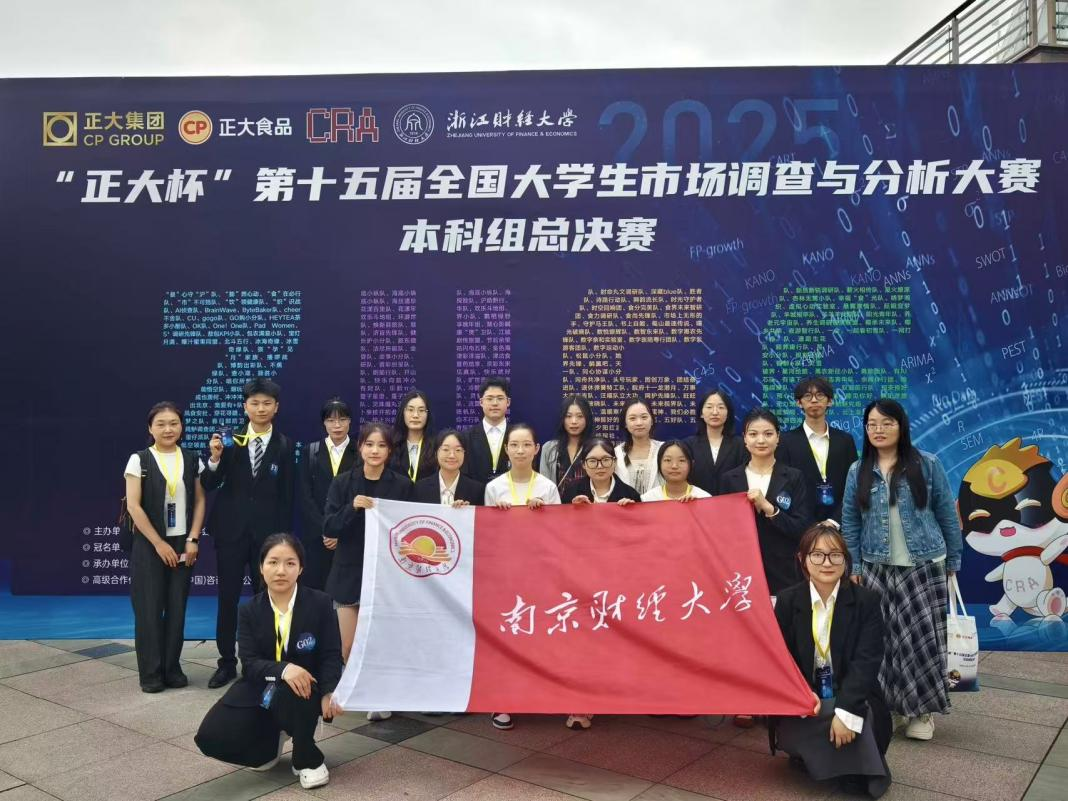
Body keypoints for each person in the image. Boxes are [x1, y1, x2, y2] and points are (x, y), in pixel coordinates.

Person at [841, 398, 962, 742]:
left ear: (901, 426)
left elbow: (946, 513)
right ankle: (890, 708)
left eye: (887, 423)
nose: (878, 430)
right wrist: (854, 565)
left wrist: (953, 560)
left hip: (924, 565)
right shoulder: (858, 470)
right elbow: (850, 521)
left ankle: (921, 711)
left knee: (922, 641)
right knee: (881, 642)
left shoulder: (927, 464)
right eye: (872, 424)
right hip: (875, 567)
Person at [195, 534, 343, 790]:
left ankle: (307, 757)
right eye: (273, 562)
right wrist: (284, 669)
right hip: (263, 684)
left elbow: (331, 653)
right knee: (211, 736)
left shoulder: (320, 603)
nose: (281, 570)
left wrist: (330, 691)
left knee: (298, 687)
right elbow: (249, 663)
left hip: (307, 689)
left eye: (290, 563)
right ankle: (270, 742)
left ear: (301, 568)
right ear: (261, 568)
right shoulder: (249, 610)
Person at [771, 524, 892, 799]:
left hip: (850, 690)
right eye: (817, 555)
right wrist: (802, 693)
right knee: (817, 713)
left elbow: (867, 661)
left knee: (858, 714)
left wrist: (846, 710)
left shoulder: (866, 601)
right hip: (807, 695)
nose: (827, 563)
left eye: (835, 555)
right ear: (802, 559)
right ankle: (830, 759)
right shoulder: (788, 600)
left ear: (846, 560)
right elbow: (781, 658)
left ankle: (854, 773)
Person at [202, 377, 295, 689]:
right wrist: (215, 459)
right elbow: (210, 483)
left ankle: (260, 664)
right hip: (231, 532)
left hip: (267, 540)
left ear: (276, 407)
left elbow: (287, 497)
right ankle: (226, 663)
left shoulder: (285, 445)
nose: (261, 408)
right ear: (245, 406)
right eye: (255, 403)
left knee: (266, 601)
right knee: (227, 598)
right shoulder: (230, 440)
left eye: (267, 403)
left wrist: (282, 542)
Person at [323, 422, 413, 720]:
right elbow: (329, 526)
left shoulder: (402, 485)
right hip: (348, 571)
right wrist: (352, 508)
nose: (375, 450)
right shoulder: (343, 483)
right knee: (348, 644)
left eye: (382, 445)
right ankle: (357, 688)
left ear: (390, 450)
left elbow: (410, 527)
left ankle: (380, 695)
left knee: (381, 639)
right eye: (369, 444)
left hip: (386, 573)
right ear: (360, 447)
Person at [123, 402, 205, 692]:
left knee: (176, 608)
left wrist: (193, 539)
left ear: (181, 427)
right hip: (149, 543)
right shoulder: (140, 460)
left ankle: (172, 668)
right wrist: (158, 543)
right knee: (148, 609)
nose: (168, 429)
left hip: (183, 543)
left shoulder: (192, 459)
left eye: (174, 423)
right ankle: (151, 673)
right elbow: (133, 506)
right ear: (150, 428)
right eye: (161, 424)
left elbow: (200, 501)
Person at [483, 423, 561, 732]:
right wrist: (498, 517)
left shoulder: (547, 487)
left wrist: (542, 516)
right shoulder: (494, 488)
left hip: (539, 573)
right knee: (506, 637)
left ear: (536, 449)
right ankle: (503, 701)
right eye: (514, 445)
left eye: (526, 444)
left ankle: (537, 695)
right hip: (504, 574)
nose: (520, 450)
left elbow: (559, 534)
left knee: (537, 636)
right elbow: (486, 535)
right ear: (506, 449)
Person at [720, 408, 813, 595]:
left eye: (768, 434)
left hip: (784, 571)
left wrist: (770, 509)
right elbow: (721, 529)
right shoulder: (729, 479)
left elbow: (802, 528)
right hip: (740, 571)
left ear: (778, 437)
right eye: (753, 434)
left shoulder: (794, 477)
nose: (761, 440)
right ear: (745, 439)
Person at [776, 377, 858, 525]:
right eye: (807, 396)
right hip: (801, 526)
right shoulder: (785, 441)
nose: (814, 400)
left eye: (820, 395)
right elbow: (783, 488)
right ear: (799, 402)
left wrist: (833, 521)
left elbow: (854, 485)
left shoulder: (845, 440)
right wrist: (808, 524)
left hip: (839, 525)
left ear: (830, 401)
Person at [298, 398, 358, 591]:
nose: (337, 425)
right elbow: (305, 496)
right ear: (324, 423)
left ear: (350, 421)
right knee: (316, 589)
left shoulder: (360, 452)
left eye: (342, 419)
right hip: (318, 536)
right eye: (331, 420)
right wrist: (326, 530)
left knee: (346, 592)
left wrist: (340, 531)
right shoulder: (310, 451)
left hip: (349, 536)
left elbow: (361, 494)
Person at [686, 389, 747, 496]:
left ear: (728, 414)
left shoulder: (741, 445)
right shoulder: (688, 445)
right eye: (709, 407)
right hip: (697, 502)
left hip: (732, 502)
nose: (715, 412)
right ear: (701, 413)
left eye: (721, 407)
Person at [414, 429, 486, 506]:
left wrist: (466, 510)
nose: (452, 455)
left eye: (458, 450)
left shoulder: (477, 490)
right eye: (446, 449)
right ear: (436, 453)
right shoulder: (420, 488)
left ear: (464, 454)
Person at [540, 394, 594, 496]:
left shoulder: (596, 447)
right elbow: (544, 486)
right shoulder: (549, 448)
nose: (574, 421)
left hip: (588, 504)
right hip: (557, 504)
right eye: (568, 416)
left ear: (587, 418)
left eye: (580, 416)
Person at [561, 437, 642, 506]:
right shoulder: (571, 492)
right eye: (592, 461)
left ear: (615, 462)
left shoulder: (631, 495)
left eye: (606, 460)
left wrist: (631, 511)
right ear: (583, 464)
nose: (600, 466)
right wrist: (573, 509)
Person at [462, 376, 512, 484]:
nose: (495, 403)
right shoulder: (466, 437)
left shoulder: (517, 435)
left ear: (508, 402)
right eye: (489, 398)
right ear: (481, 402)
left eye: (500, 398)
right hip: (476, 493)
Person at [614, 397, 663, 495]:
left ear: (652, 420)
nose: (639, 423)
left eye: (644, 417)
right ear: (625, 423)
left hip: (659, 503)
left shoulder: (664, 449)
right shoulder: (616, 453)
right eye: (632, 418)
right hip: (625, 504)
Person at [640, 440, 712, 502]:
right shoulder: (648, 499)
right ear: (659, 463)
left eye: (681, 460)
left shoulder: (703, 498)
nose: (674, 466)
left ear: (691, 464)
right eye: (668, 460)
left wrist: (697, 505)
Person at [390, 389, 437, 483]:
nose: (415, 415)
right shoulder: (390, 445)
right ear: (403, 412)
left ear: (428, 414)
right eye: (410, 410)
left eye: (421, 410)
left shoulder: (437, 447)